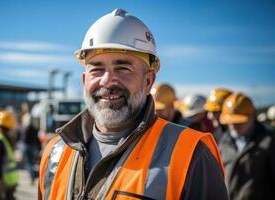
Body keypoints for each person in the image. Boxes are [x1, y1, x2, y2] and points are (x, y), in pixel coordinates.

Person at [38, 8, 228, 200]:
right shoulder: (56, 151)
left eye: (123, 68)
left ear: (148, 82)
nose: (107, 81)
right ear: (84, 80)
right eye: (97, 69)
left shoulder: (191, 154)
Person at [218, 93, 275, 199]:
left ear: (252, 117)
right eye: (230, 122)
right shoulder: (223, 142)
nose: (234, 126)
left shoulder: (269, 141)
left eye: (239, 122)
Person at [21, 114, 41, 185]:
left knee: (28, 163)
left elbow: (23, 139)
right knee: (32, 163)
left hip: (27, 147)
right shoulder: (35, 129)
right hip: (33, 147)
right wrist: (39, 148)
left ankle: (32, 176)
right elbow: (37, 140)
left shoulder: (25, 129)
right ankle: (33, 175)